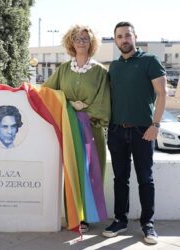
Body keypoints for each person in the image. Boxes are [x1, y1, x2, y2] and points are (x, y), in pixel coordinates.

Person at [102, 22, 167, 245]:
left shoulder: (150, 61)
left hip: (143, 131)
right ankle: (120, 220)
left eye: (127, 35)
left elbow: (162, 94)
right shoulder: (114, 67)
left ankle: (148, 224)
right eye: (119, 36)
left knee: (145, 179)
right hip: (116, 130)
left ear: (135, 37)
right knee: (120, 178)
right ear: (115, 40)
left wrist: (155, 125)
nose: (124, 40)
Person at [43, 24, 110, 232]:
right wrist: (67, 105)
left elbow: (104, 100)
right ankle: (73, 215)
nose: (81, 42)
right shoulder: (63, 69)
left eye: (85, 38)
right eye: (77, 38)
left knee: (90, 171)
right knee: (71, 169)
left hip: (93, 128)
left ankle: (87, 218)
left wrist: (87, 110)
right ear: (71, 42)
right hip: (70, 126)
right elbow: (47, 91)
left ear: (91, 43)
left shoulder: (100, 71)